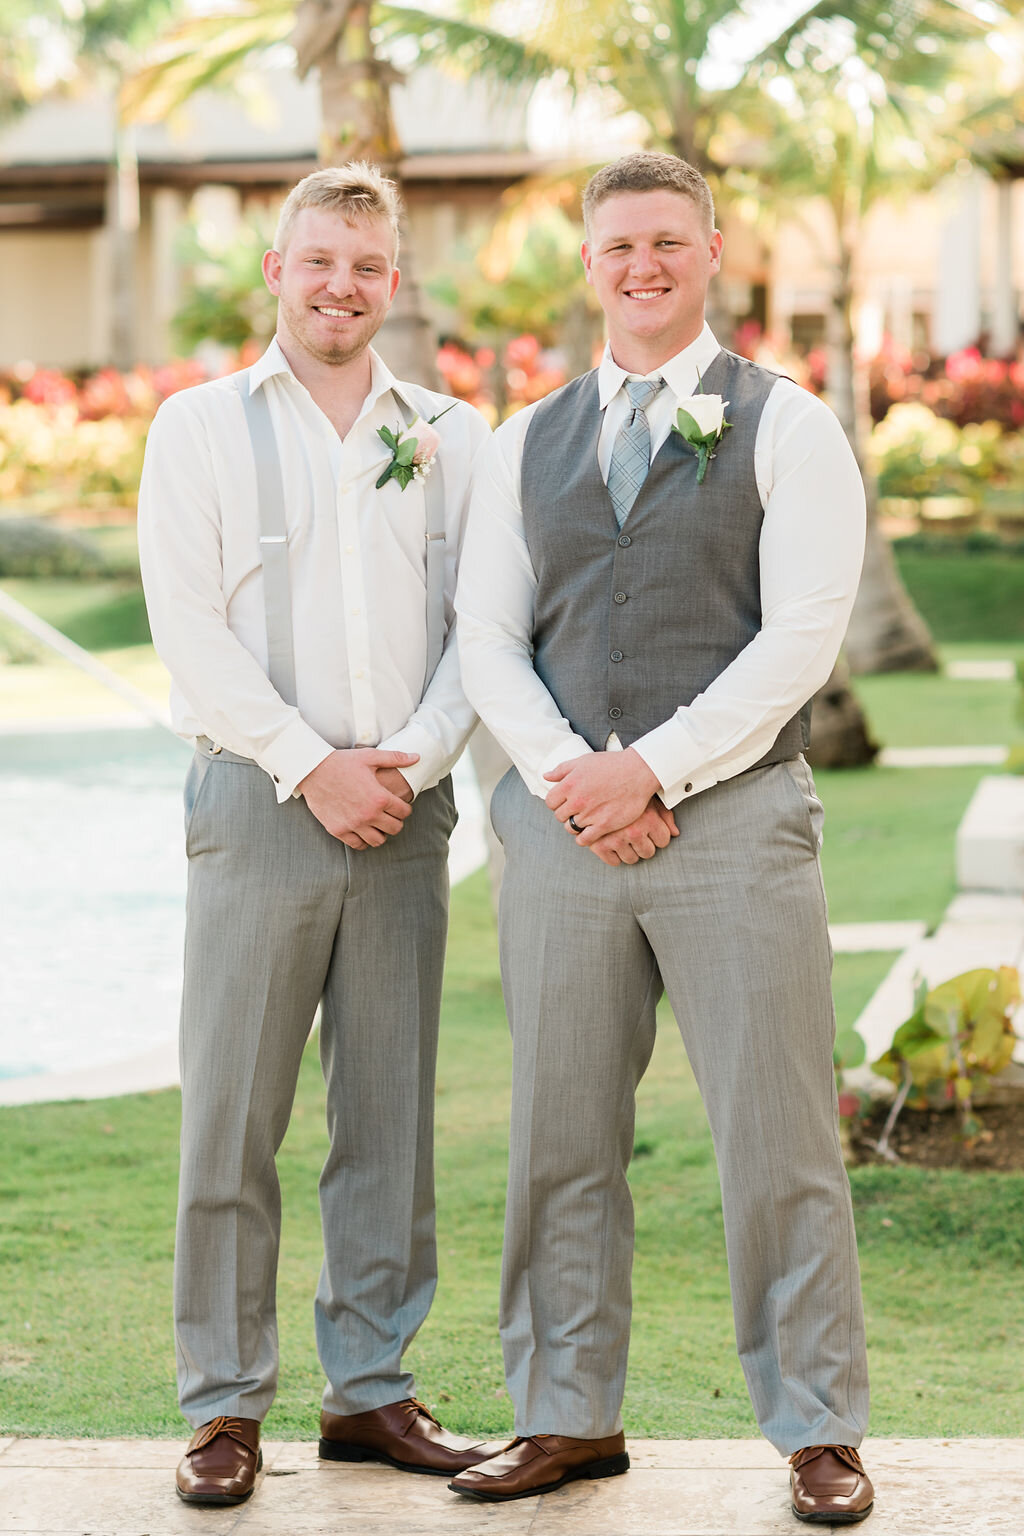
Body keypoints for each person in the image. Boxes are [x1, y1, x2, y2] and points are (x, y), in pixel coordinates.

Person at [450, 151, 874, 1525]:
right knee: (560, 1134)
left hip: (738, 826)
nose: (642, 266)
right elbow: (488, 640)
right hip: (566, 833)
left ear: (711, 252)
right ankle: (566, 1416)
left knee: (779, 1133)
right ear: (591, 262)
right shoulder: (531, 439)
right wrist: (579, 778)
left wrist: (657, 769)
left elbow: (801, 637)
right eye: (619, 245)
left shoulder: (790, 425)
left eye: (667, 244)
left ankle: (817, 1426)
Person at [138, 163, 492, 1507]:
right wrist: (312, 766)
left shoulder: (451, 433)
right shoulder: (199, 428)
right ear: (276, 273)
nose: (340, 285)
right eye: (318, 260)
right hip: (259, 802)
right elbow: (191, 630)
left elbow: (483, 631)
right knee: (234, 1113)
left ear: (391, 284)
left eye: (365, 265)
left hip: (408, 809)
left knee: (388, 1114)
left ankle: (374, 1390)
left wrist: (413, 759)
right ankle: (225, 1407)